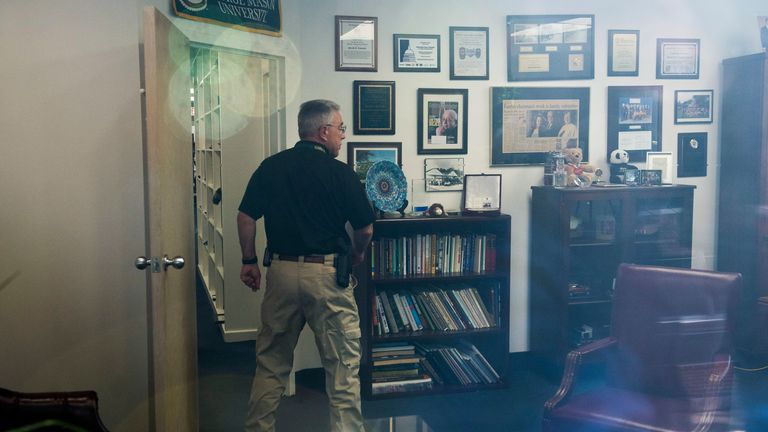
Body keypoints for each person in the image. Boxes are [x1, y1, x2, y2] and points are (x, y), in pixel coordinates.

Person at [238, 99, 375, 432]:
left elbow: (246, 216)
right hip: (327, 276)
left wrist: (249, 261)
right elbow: (365, 228)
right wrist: (357, 254)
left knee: (271, 365)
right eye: (341, 129)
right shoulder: (341, 173)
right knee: (342, 368)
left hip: (281, 273)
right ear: (323, 130)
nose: (343, 136)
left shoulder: (271, 166)